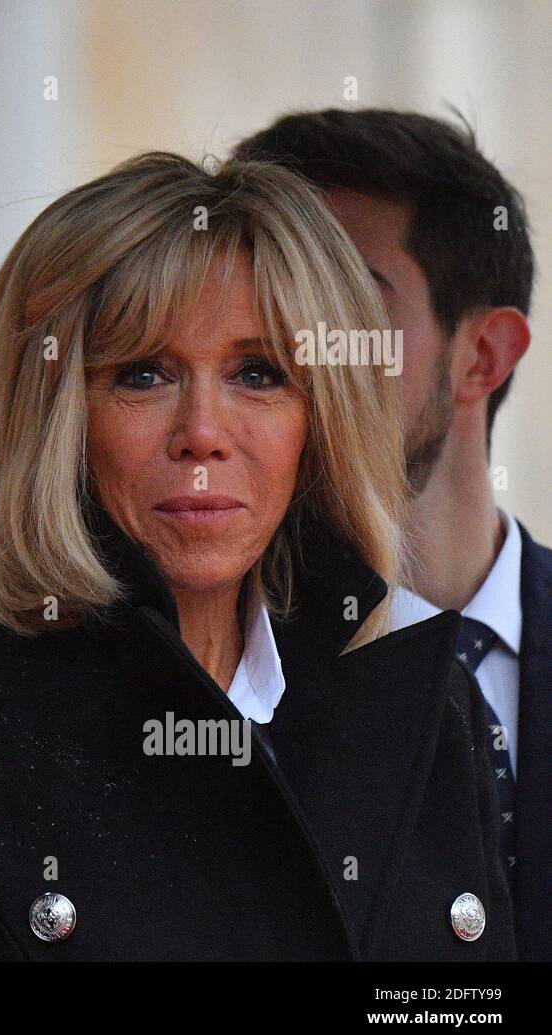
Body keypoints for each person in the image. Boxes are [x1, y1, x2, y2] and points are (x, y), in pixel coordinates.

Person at [0, 152, 513, 961]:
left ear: (321, 421)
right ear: (55, 418)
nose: (203, 433)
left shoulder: (429, 707)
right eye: (143, 375)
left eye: (259, 375)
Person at [235, 110, 548, 961]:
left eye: (345, 306)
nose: (296, 351)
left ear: (484, 353)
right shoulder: (212, 666)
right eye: (272, 311)